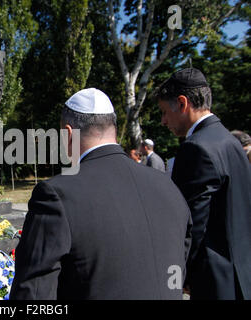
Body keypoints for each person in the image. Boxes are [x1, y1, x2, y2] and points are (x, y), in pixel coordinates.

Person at [10, 88, 192, 300]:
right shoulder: (167, 185)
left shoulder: (56, 194)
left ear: (68, 134)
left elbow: (33, 292)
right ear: (112, 128)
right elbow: (181, 261)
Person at [156, 68, 251, 300]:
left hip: (214, 284)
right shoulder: (231, 142)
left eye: (164, 112)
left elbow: (190, 225)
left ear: (182, 103)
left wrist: (180, 276)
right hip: (241, 276)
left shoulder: (196, 148)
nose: (163, 121)